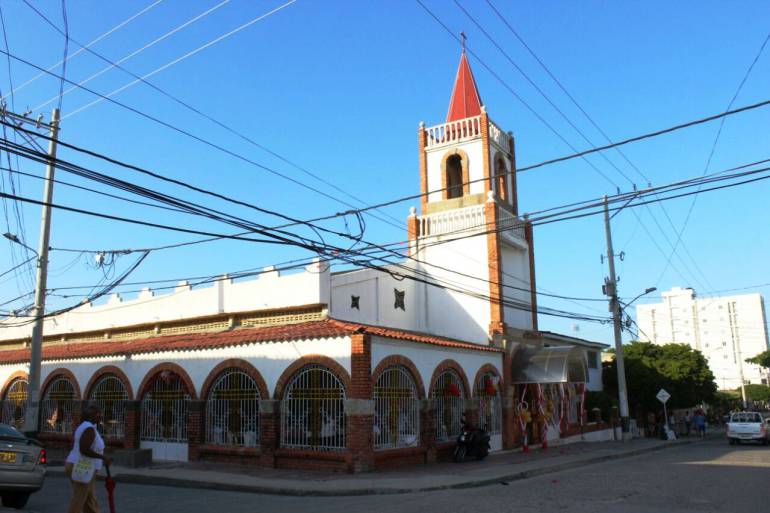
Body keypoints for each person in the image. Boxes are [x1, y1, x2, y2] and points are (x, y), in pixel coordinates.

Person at [65, 405, 111, 513]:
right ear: (92, 416)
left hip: (84, 466)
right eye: (99, 415)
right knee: (79, 499)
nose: (100, 418)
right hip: (82, 467)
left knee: (90, 499)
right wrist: (103, 457)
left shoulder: (86, 427)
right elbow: (84, 449)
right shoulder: (88, 428)